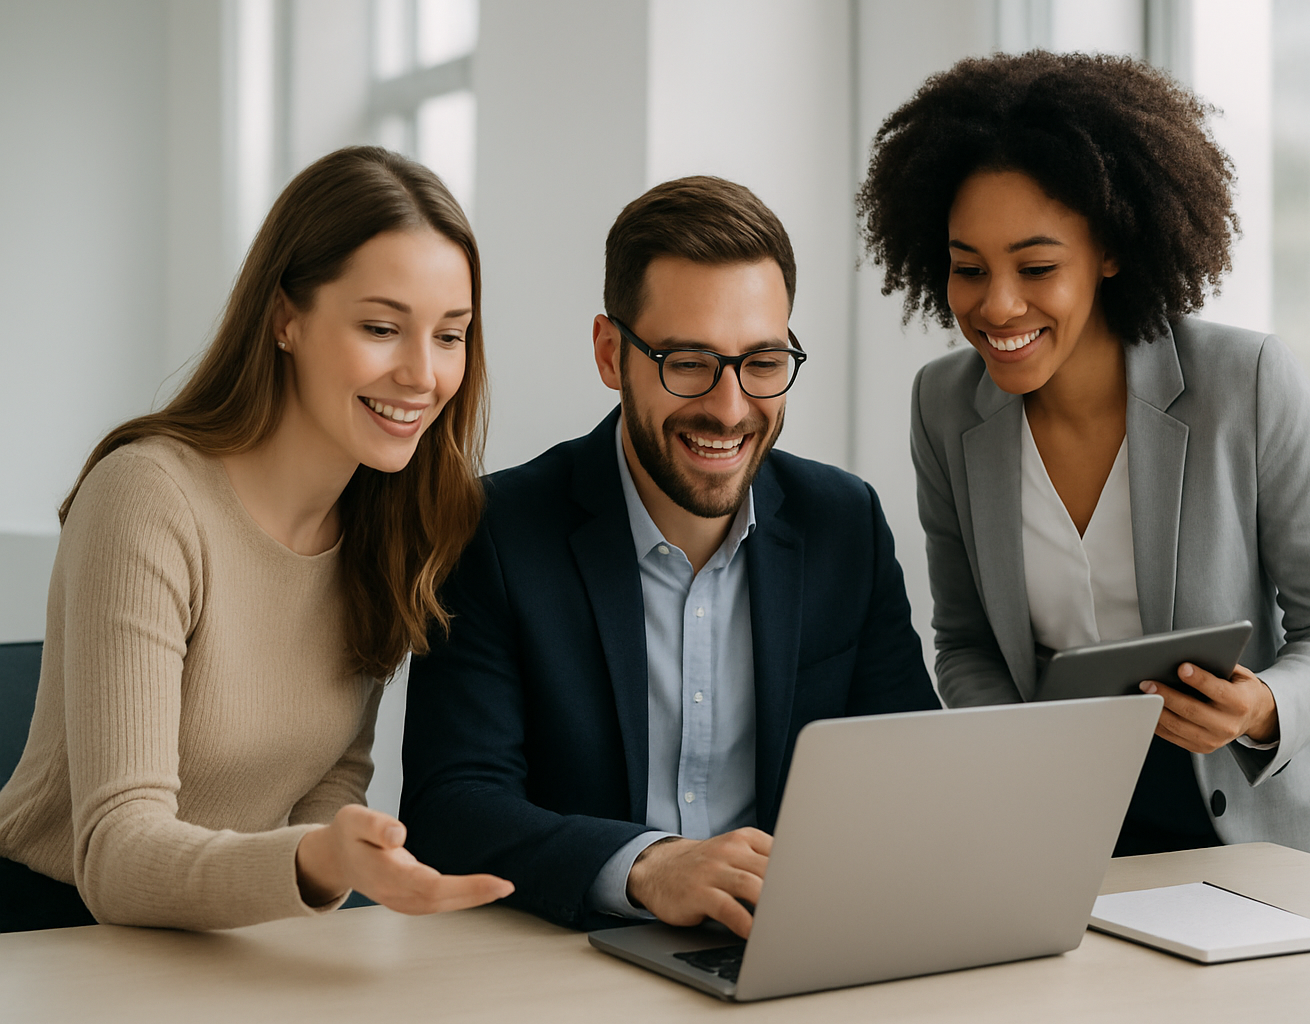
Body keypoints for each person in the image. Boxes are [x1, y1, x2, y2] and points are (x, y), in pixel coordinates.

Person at [856, 52, 1310, 864]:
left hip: (1272, 820)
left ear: (1108, 249)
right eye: (968, 270)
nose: (996, 306)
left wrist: (1259, 706)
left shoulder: (1243, 381)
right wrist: (1023, 753)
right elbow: (964, 644)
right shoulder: (944, 406)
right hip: (1075, 828)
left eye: (1036, 267)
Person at [400, 176, 939, 937]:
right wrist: (647, 866)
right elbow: (450, 808)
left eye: (762, 361)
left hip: (788, 948)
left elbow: (912, 771)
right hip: (573, 958)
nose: (729, 407)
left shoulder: (843, 522)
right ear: (611, 353)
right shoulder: (493, 530)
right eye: (688, 362)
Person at [0, 146, 513, 933]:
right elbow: (116, 853)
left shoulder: (392, 525)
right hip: (52, 936)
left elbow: (328, 786)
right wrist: (317, 861)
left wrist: (341, 854)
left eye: (451, 335)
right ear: (285, 319)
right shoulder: (147, 499)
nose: (423, 374)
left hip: (237, 933)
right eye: (382, 327)